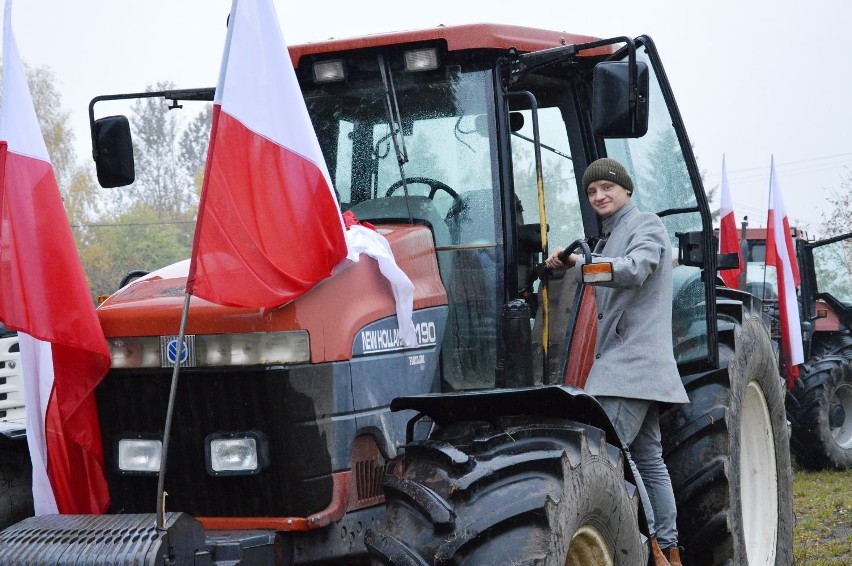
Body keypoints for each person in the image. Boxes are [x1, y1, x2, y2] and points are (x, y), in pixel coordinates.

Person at [545, 158, 689, 566]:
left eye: (606, 187)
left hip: (629, 369)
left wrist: (584, 265)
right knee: (647, 460)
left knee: (608, 460)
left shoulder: (645, 224)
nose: (599, 196)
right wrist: (573, 262)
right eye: (592, 192)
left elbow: (636, 268)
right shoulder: (609, 237)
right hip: (631, 369)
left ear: (626, 190)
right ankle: (669, 552)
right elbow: (608, 265)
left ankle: (652, 550)